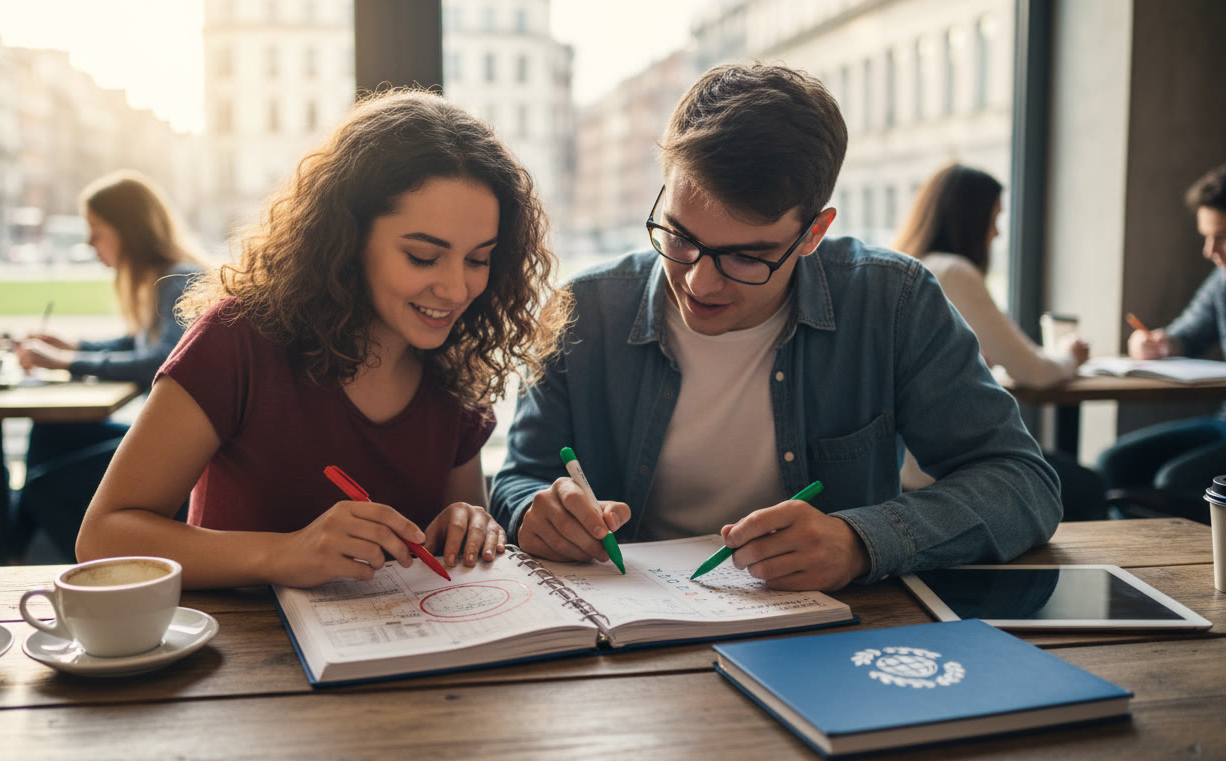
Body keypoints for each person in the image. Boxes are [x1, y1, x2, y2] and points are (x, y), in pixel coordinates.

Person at [491, 64, 1061, 592]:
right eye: (679, 237)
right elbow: (519, 480)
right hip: (632, 628)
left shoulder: (892, 302)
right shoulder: (582, 310)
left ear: (813, 233)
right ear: (662, 195)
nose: (699, 284)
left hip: (831, 639)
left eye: (746, 256)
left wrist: (861, 541)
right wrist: (533, 511)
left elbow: (1022, 484)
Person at [76, 90, 568, 589]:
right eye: (423, 256)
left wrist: (469, 522)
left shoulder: (456, 364)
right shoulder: (237, 341)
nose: (457, 288)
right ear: (347, 238)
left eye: (479, 259)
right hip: (244, 653)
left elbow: (449, 539)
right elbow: (101, 537)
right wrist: (284, 553)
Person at [891, 164, 1108, 521]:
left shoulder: (906, 267)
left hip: (901, 468)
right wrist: (1070, 356)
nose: (996, 232)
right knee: (1085, 483)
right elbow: (1036, 372)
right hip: (939, 471)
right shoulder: (954, 271)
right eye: (993, 218)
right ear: (969, 219)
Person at [13, 171, 206, 559]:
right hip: (168, 436)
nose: (89, 242)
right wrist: (75, 346)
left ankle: (99, 575)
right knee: (49, 430)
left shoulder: (181, 279)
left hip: (193, 451)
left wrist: (68, 361)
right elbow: (137, 343)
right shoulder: (164, 278)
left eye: (96, 229)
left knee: (41, 487)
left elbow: (160, 360)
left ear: (128, 230)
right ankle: (13, 554)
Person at [1096, 163, 1226, 517]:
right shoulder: (1222, 281)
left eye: (1222, 236)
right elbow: (1187, 334)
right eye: (1206, 235)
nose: (1210, 250)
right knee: (1113, 463)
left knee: (1176, 483)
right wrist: (1159, 344)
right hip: (1222, 422)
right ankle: (1120, 572)